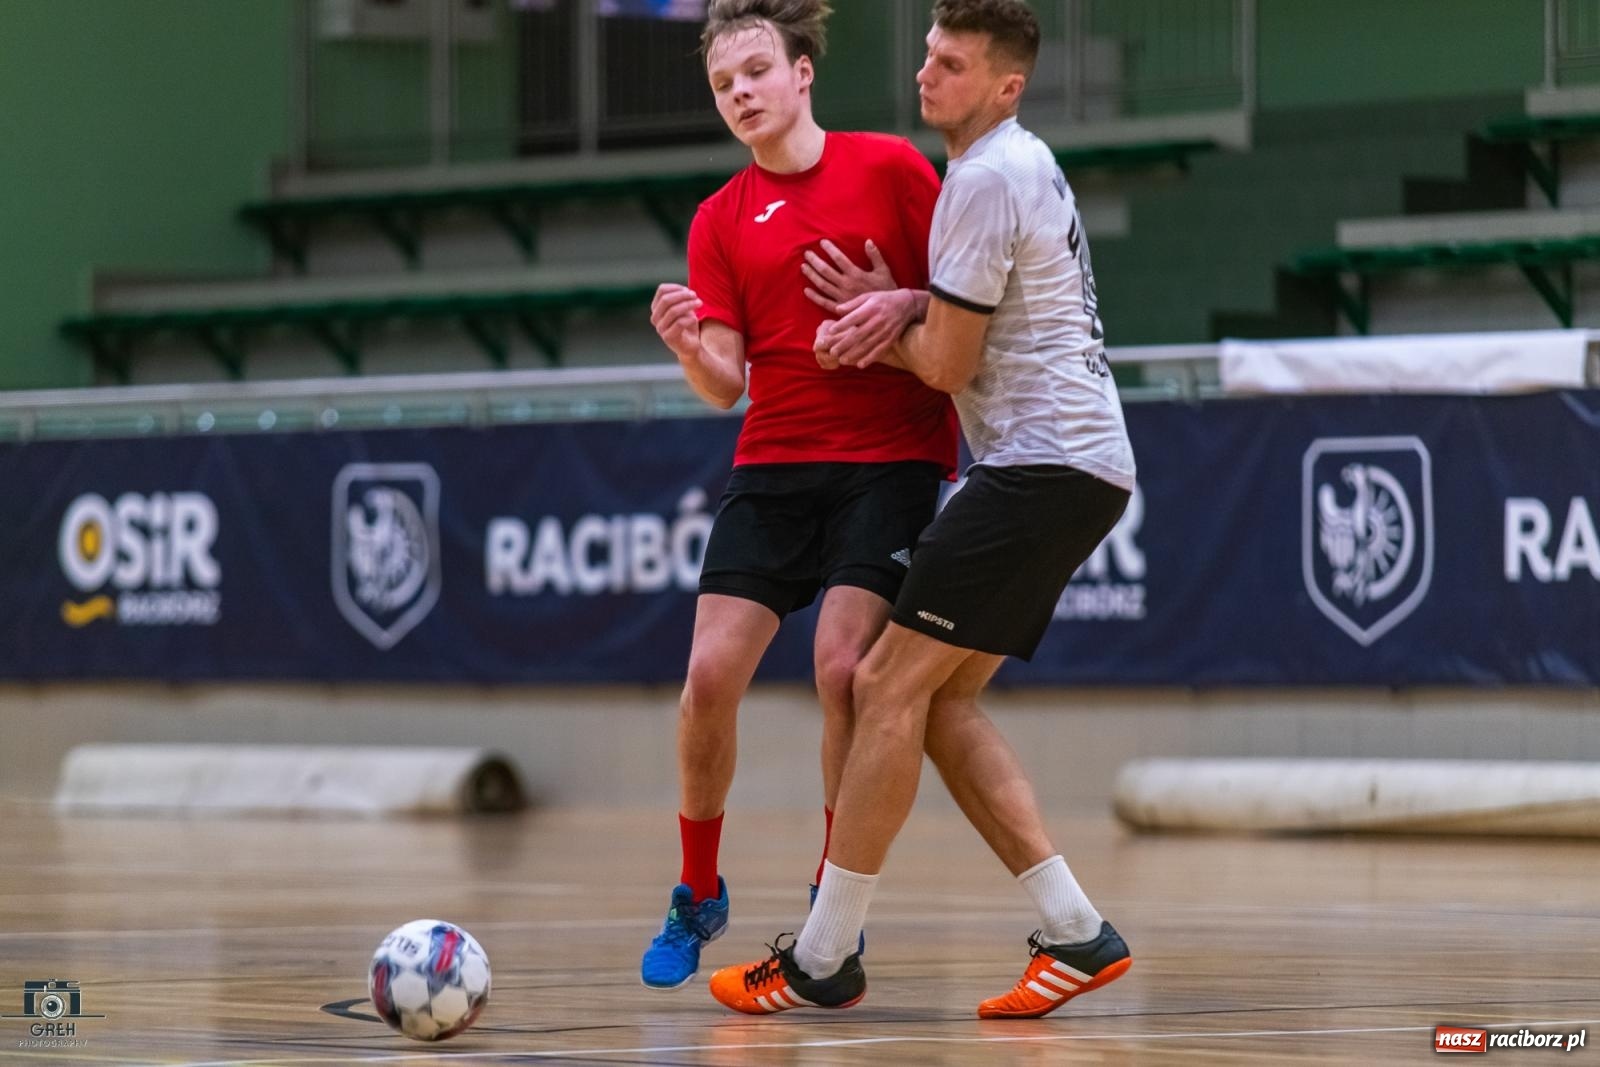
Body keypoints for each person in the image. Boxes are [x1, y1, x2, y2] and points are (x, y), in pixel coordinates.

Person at [708, 0, 1138, 1019]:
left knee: (879, 685)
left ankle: (824, 955)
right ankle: (1077, 932)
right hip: (1073, 465)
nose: (925, 74)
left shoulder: (982, 177)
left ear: (1005, 85)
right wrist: (902, 298)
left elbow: (946, 364)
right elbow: (978, 310)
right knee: (937, 703)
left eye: (952, 63)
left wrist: (875, 332)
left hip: (1037, 466)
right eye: (929, 55)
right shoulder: (1010, 164)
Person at [638, 0, 961, 990]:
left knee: (841, 670)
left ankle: (833, 907)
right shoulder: (720, 218)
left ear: (802, 71)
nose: (739, 93)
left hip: (891, 458)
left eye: (754, 72)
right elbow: (725, 381)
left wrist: (899, 299)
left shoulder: (891, 168)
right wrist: (689, 347)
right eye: (721, 84)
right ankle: (698, 890)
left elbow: (965, 301)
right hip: (775, 463)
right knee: (706, 680)